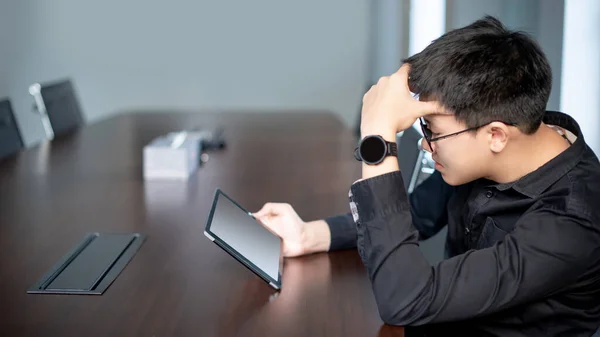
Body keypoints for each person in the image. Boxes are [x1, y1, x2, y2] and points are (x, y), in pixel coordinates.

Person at [253, 16, 600, 336]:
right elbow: (418, 212)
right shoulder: (501, 140)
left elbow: (405, 299)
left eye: (432, 131)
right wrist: (309, 235)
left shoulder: (573, 222)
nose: (424, 145)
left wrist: (378, 138)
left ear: (496, 135)